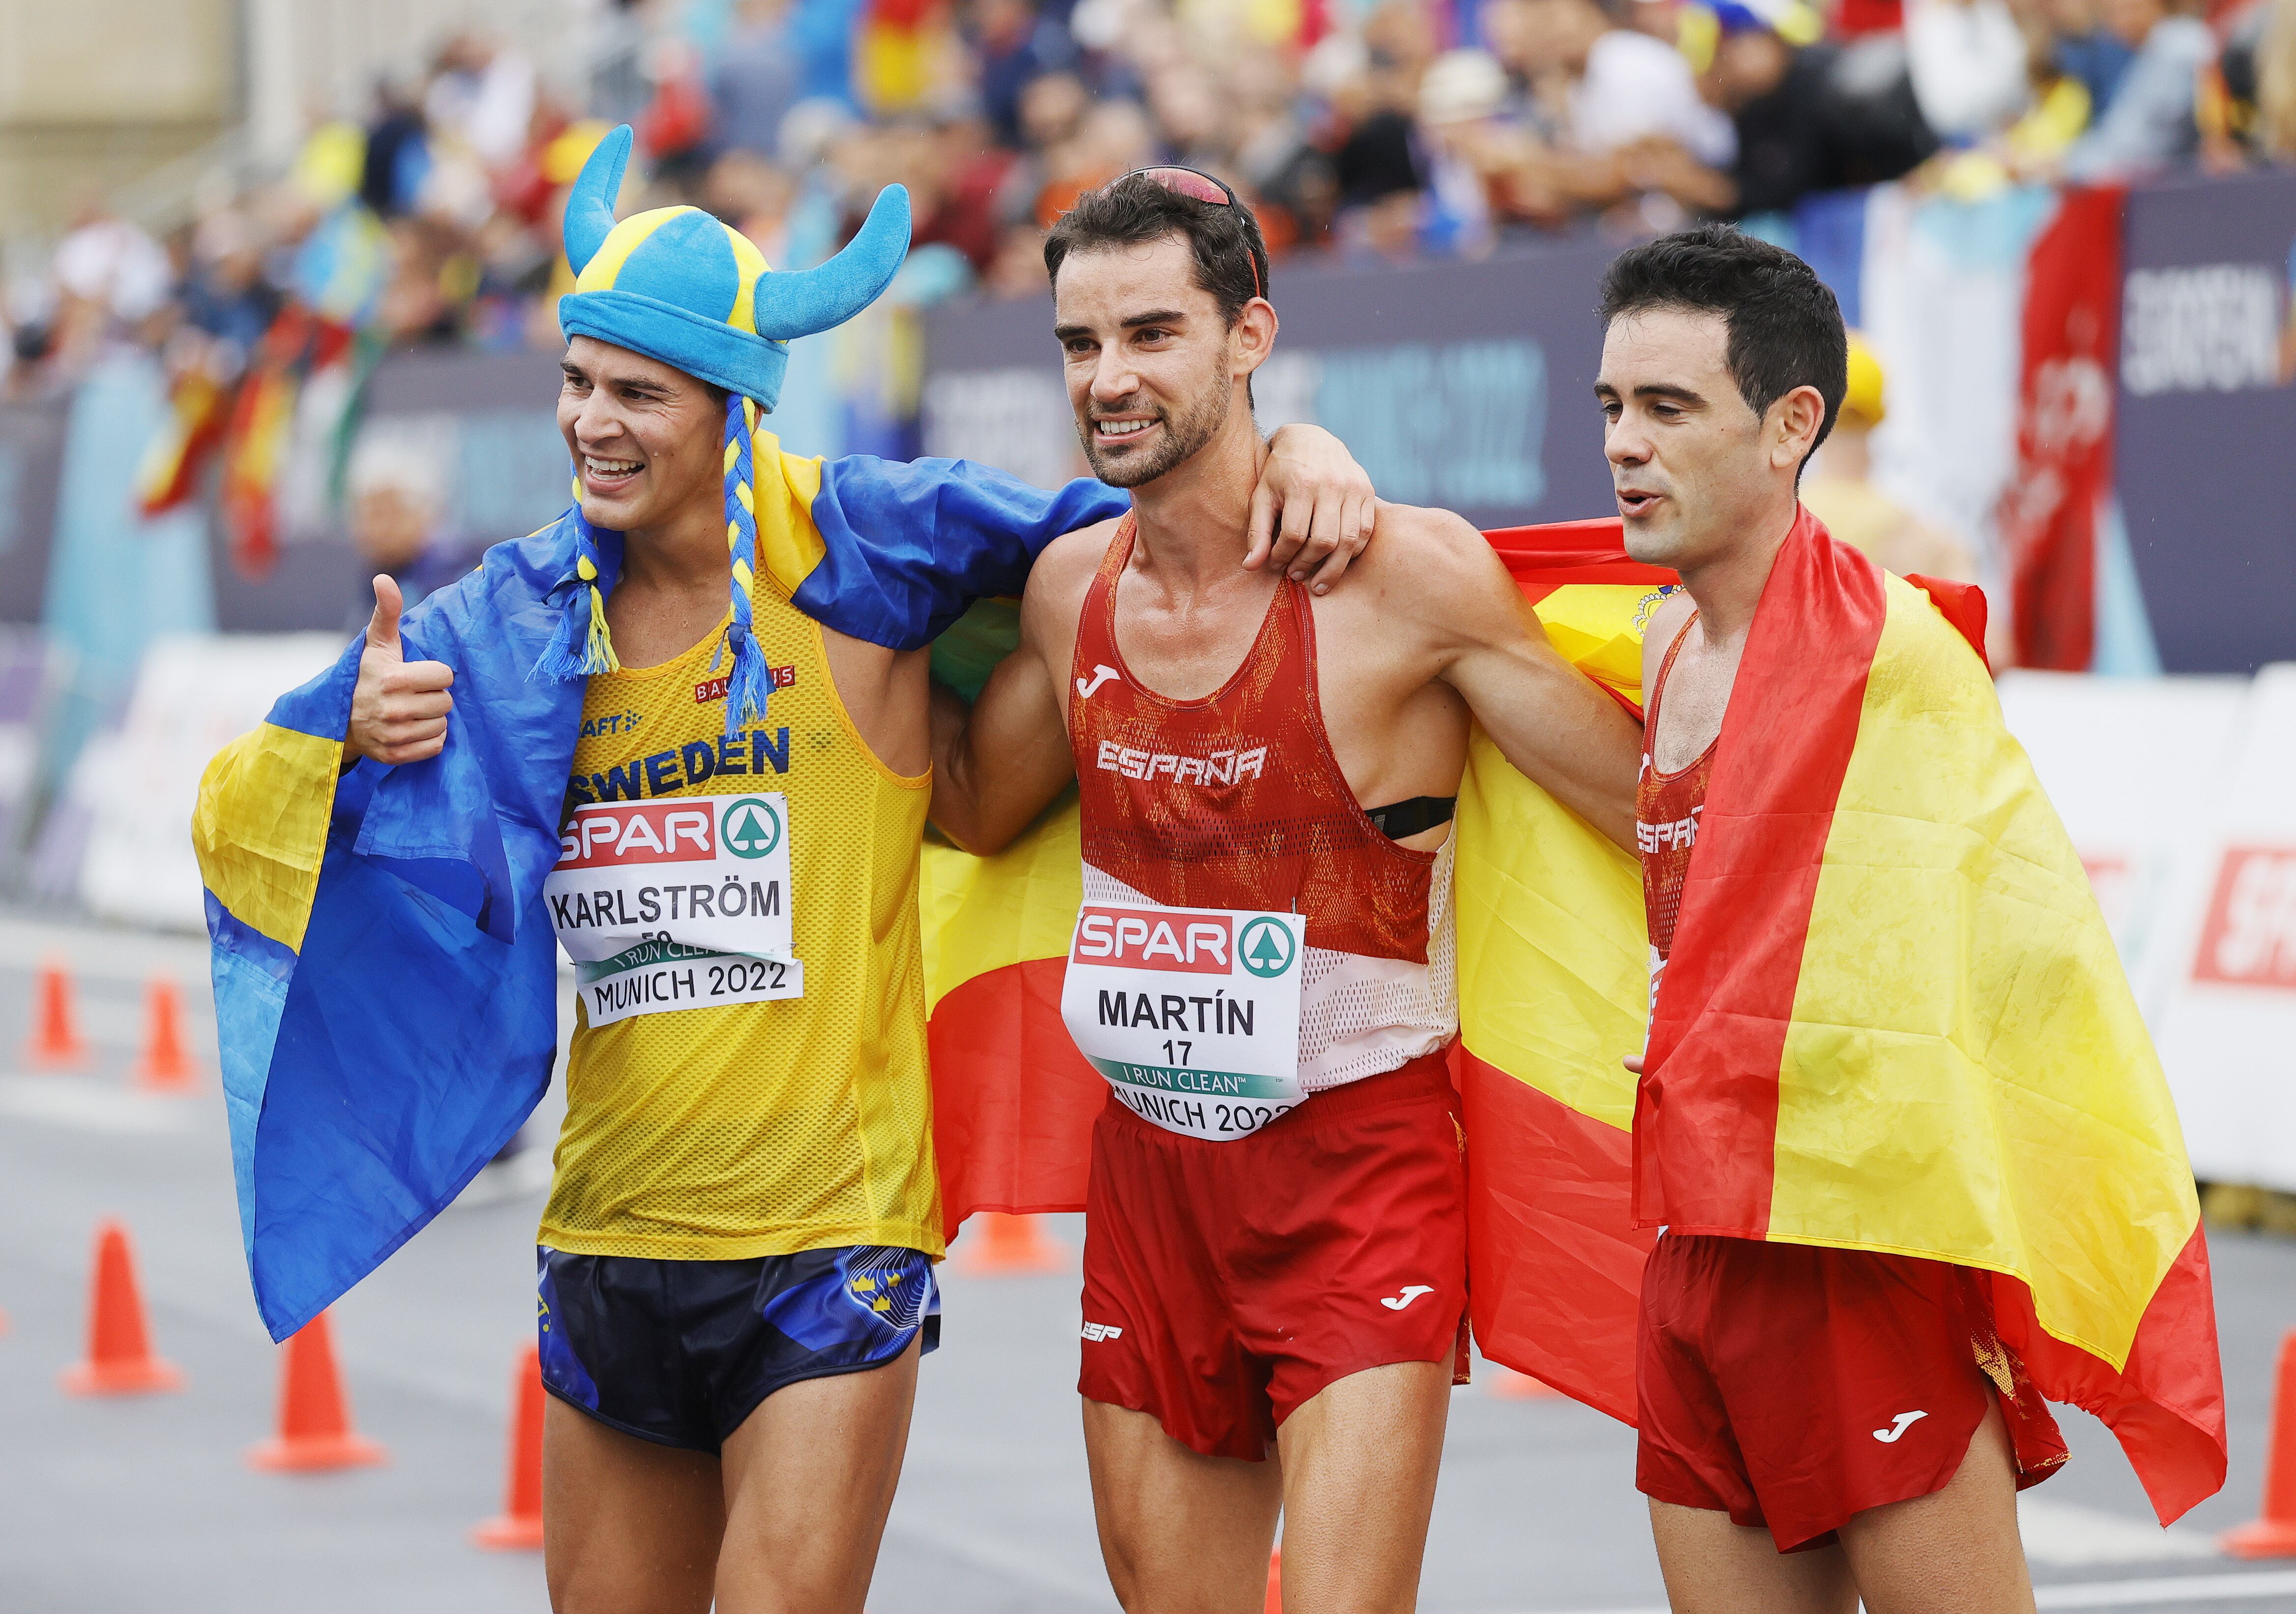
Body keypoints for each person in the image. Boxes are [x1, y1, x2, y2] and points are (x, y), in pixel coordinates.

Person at [195, 127, 1374, 1614]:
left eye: (641, 392)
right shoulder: (518, 618)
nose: (593, 424)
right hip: (609, 1237)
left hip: (832, 1246)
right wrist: (350, 740)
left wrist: (1306, 449)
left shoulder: (865, 549)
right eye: (578, 382)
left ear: (734, 404)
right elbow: (235, 813)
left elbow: (1154, 530)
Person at [926, 169, 1644, 1613]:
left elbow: (1652, 805)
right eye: (1079, 344)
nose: (1109, 378)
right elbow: (963, 808)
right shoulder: (1070, 589)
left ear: (1248, 337)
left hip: (1358, 1174)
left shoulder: (1405, 580)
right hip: (1151, 1184)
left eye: (1151, 333)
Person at [1597, 225, 2224, 1611]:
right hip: (1693, 1263)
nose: (1626, 446)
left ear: (1791, 425)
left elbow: (2021, 958)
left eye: (1669, 408)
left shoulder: (1894, 654)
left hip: (1857, 1258)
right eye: (1613, 408)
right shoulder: (1647, 641)